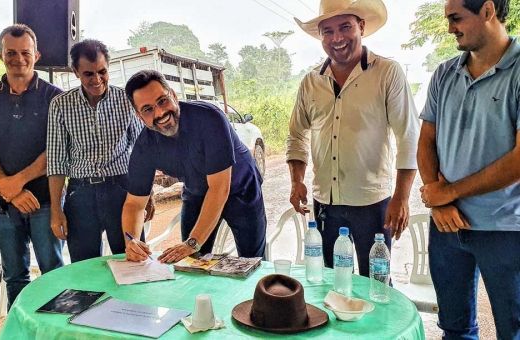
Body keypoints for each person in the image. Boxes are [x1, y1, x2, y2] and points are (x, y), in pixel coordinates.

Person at [288, 0, 420, 278]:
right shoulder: (311, 82)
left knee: (376, 281)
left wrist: (401, 197)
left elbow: (408, 135)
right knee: (331, 282)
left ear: (361, 27)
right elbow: (297, 134)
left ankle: (381, 322)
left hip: (372, 204)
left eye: (345, 27)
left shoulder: (387, 72)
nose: (337, 38)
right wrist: (296, 180)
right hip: (326, 204)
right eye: (327, 31)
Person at [417, 0, 520, 338]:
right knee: (454, 328)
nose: (450, 28)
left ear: (488, 10)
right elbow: (426, 141)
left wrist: (448, 192)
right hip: (447, 225)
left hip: (506, 228)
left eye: (456, 18)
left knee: (513, 329)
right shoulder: (445, 73)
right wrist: (441, 202)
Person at [122, 70, 267, 263]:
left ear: (173, 95)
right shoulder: (145, 147)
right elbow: (134, 205)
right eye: (148, 109)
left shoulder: (209, 118)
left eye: (162, 101)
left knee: (252, 260)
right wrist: (131, 242)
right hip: (197, 190)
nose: (160, 113)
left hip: (239, 186)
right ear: (140, 117)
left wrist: (193, 242)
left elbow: (219, 188)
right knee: (191, 262)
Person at [0, 24, 64, 309]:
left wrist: (17, 182)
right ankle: (19, 331)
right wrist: (10, 190)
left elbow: (56, 151)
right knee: (14, 277)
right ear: (0, 54)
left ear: (37, 54)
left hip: (45, 201)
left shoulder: (55, 97)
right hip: (3, 205)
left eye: (25, 52)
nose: (18, 58)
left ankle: (55, 330)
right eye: (10, 52)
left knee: (53, 273)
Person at [47, 39, 152, 263]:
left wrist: (147, 195)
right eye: (88, 74)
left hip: (123, 191)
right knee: (84, 267)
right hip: (81, 194)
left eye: (102, 72)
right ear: (75, 72)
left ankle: (133, 300)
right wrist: (57, 210)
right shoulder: (60, 105)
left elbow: (143, 152)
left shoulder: (126, 99)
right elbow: (56, 162)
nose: (97, 80)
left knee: (132, 259)